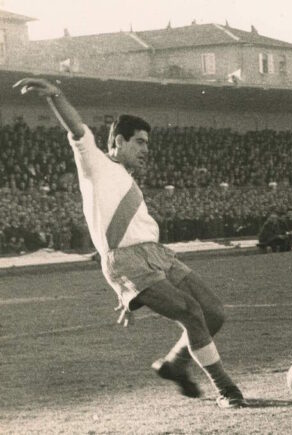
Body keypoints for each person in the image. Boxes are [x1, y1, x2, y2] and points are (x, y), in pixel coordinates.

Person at [14, 78, 245, 408]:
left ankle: (175, 364)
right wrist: (57, 96)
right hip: (128, 261)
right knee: (192, 312)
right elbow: (78, 131)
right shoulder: (94, 163)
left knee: (214, 313)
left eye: (147, 143)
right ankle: (226, 390)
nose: (145, 150)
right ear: (118, 142)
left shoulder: (125, 179)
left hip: (158, 255)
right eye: (139, 142)